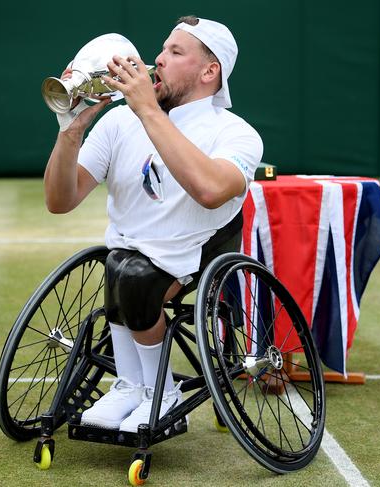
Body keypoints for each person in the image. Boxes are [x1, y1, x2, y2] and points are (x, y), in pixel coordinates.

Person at [43, 16, 263, 433]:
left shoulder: (237, 133)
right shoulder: (118, 122)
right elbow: (59, 200)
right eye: (161, 49)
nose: (157, 59)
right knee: (120, 267)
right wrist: (69, 132)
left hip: (200, 248)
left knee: (135, 276)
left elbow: (212, 190)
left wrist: (146, 109)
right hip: (128, 252)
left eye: (175, 52)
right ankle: (129, 386)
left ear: (209, 72)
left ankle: (160, 392)